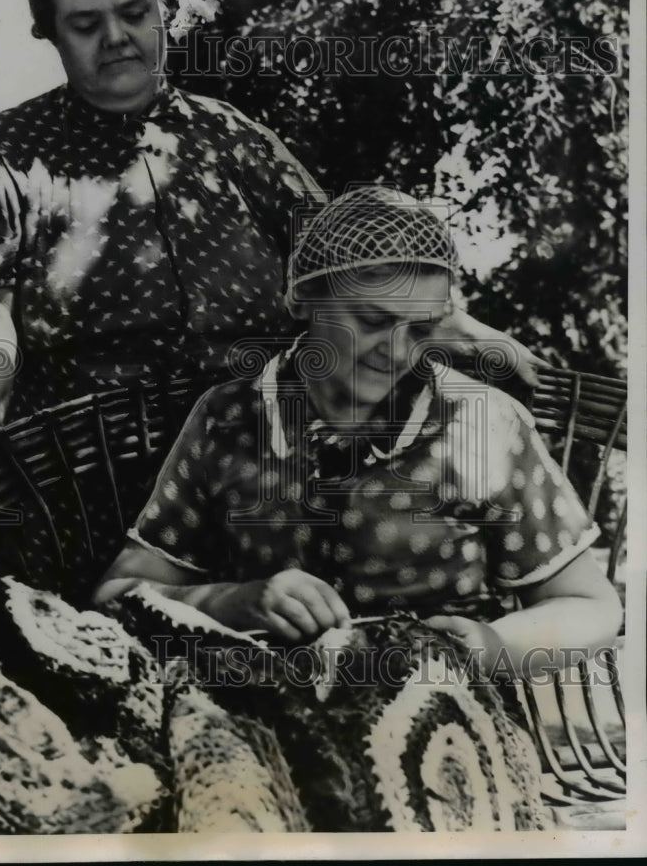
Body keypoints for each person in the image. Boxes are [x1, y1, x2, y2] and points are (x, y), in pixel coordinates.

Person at [0, 0, 541, 596]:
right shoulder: (7, 151)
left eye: (133, 12)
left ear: (167, 8)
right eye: (86, 23)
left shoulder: (238, 140)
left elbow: (360, 270)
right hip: (96, 478)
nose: (116, 37)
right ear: (50, 34)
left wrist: (479, 340)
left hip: (265, 462)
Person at [93, 187, 622, 830]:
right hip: (266, 739)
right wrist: (237, 601)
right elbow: (115, 596)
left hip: (453, 741)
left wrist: (489, 644)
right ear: (305, 300)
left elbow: (593, 606)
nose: (397, 351)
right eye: (370, 320)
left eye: (422, 328)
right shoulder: (230, 418)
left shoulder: (481, 423)